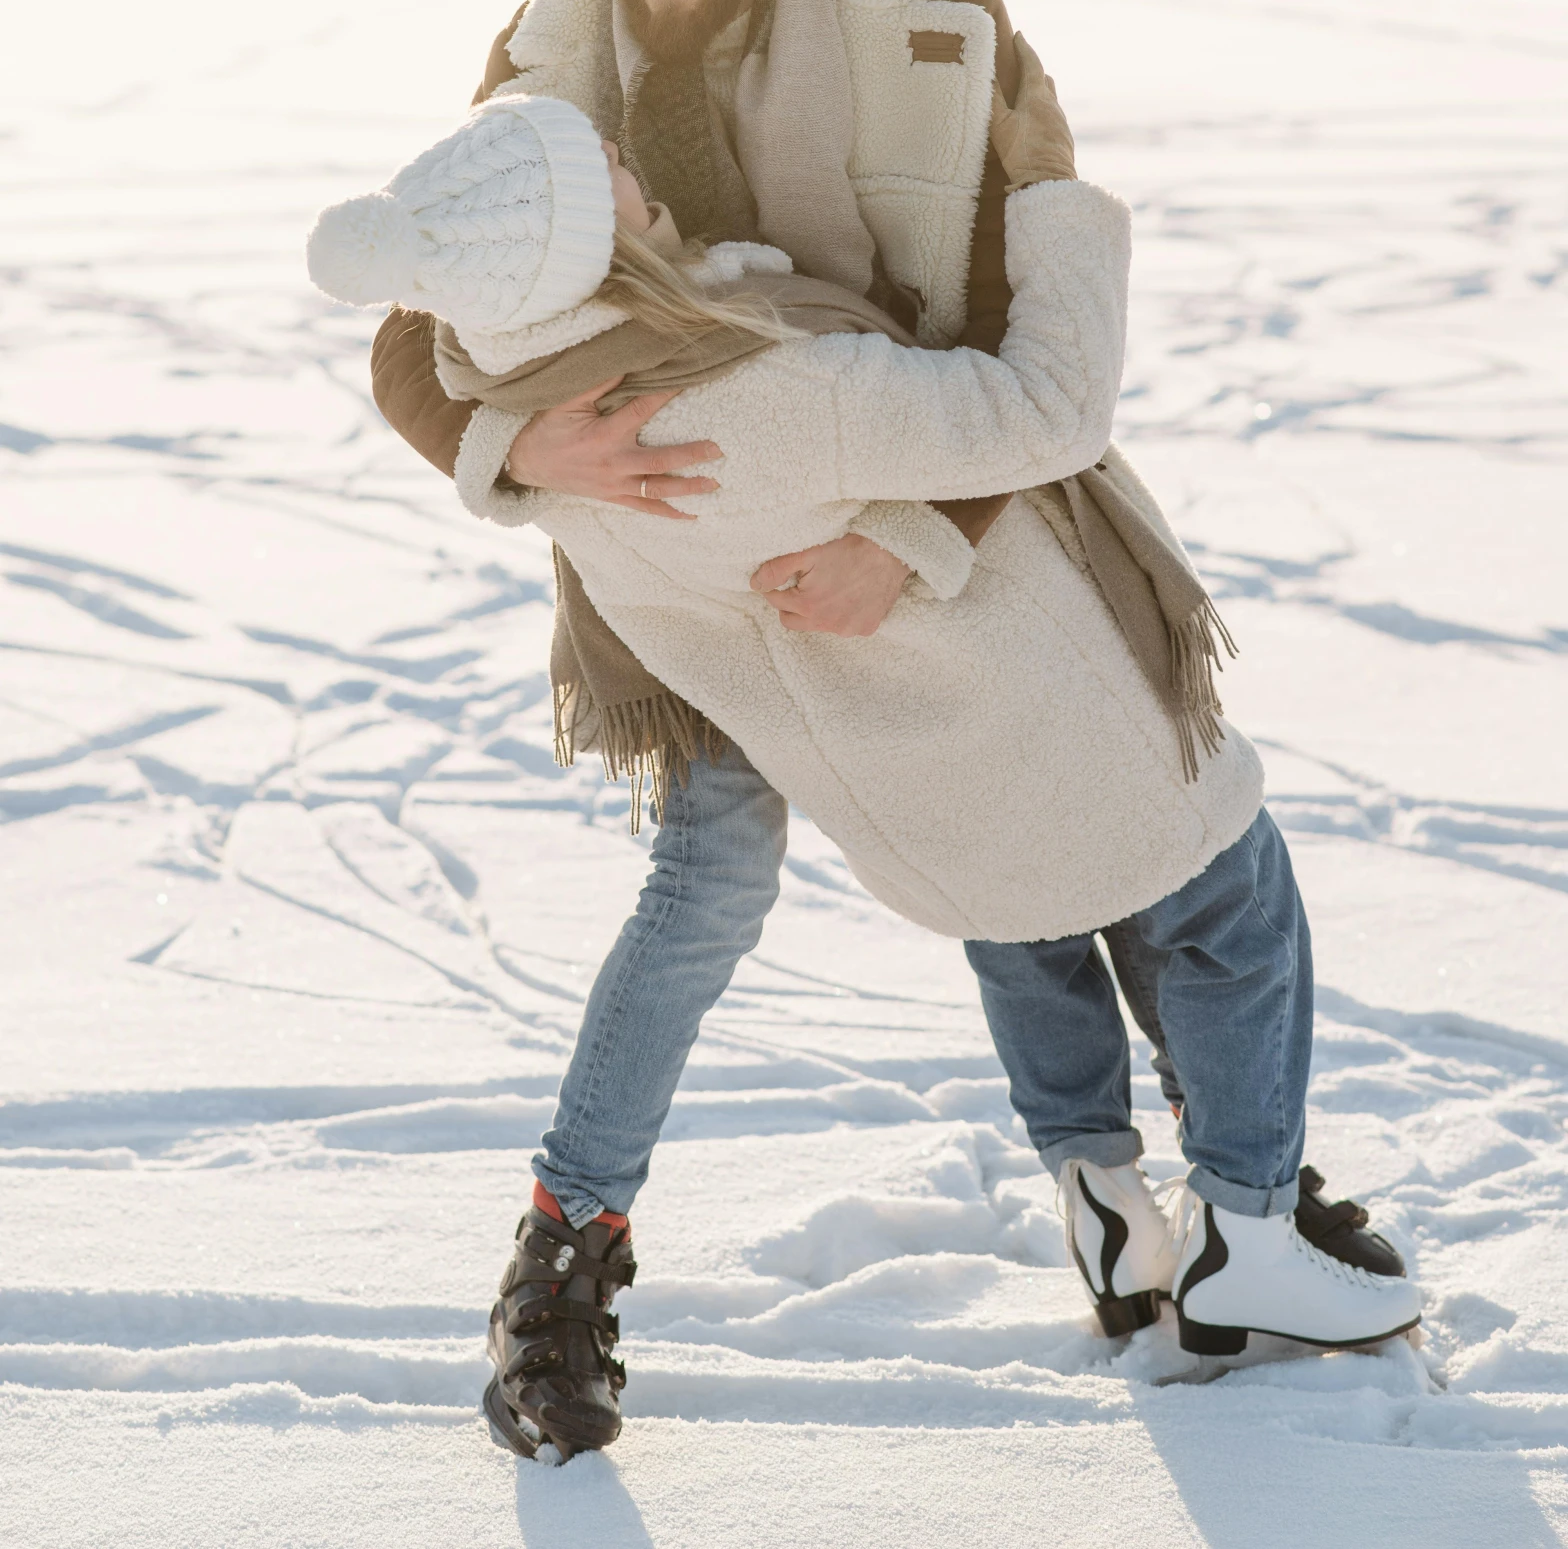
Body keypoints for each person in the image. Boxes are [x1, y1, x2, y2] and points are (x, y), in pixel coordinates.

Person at [312, 77, 1421, 1464]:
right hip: (1004, 686)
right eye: (596, 161)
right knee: (1224, 892)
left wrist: (498, 442)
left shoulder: (552, 415)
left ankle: (1103, 1191)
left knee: (1021, 922)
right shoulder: (767, 396)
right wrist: (1056, 197)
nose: (623, 147)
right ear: (575, 234)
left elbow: (427, 311)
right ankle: (1249, 1227)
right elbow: (1051, 404)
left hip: (890, 769)